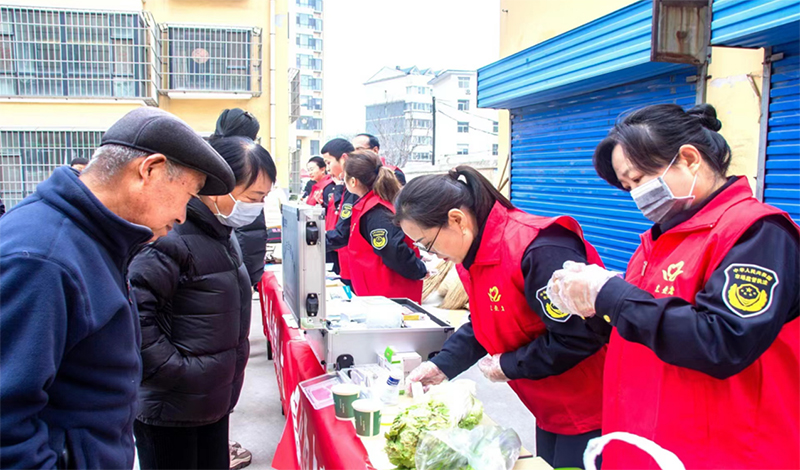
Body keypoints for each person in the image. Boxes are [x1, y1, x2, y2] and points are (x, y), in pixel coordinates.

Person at [547, 104, 800, 469]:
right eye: (627, 186)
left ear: (689, 159)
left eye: (639, 178)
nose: (635, 194)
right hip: (649, 441)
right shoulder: (659, 240)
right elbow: (645, 325)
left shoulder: (756, 233)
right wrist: (589, 305)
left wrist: (611, 295)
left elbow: (722, 341)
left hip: (725, 450)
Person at [0, 107, 235, 469]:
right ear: (150, 170)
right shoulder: (43, 259)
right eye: (187, 195)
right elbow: (8, 425)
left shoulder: (98, 238)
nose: (183, 216)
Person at [396, 166, 610, 469]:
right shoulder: (470, 255)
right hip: (549, 405)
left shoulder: (537, 249)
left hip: (591, 407)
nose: (429, 255)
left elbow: (581, 334)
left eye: (426, 244)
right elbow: (485, 320)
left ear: (456, 219)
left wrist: (508, 365)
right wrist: (441, 365)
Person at [129, 135, 276, 470]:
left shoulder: (221, 234)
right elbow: (135, 315)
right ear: (217, 185)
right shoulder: (169, 235)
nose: (257, 208)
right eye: (254, 197)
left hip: (211, 399)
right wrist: (179, 372)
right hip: (171, 407)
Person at [343, 150, 426, 301]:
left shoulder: (377, 211)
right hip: (377, 294)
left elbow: (393, 251)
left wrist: (420, 269)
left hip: (389, 297)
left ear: (353, 181)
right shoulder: (369, 205)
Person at [322, 138, 357, 284]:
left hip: (353, 255)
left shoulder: (355, 187)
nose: (328, 169)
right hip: (341, 250)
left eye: (329, 163)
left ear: (343, 159)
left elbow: (344, 229)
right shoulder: (342, 185)